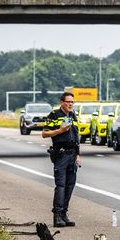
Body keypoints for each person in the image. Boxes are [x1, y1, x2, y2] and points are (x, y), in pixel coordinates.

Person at [42, 92, 81, 228]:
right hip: (61, 155)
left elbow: (76, 137)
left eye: (72, 102)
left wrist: (78, 154)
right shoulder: (54, 115)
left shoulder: (73, 115)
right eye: (68, 102)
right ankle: (57, 215)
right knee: (61, 186)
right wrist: (60, 130)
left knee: (70, 186)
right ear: (62, 102)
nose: (70, 104)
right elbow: (44, 133)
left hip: (72, 155)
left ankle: (64, 214)